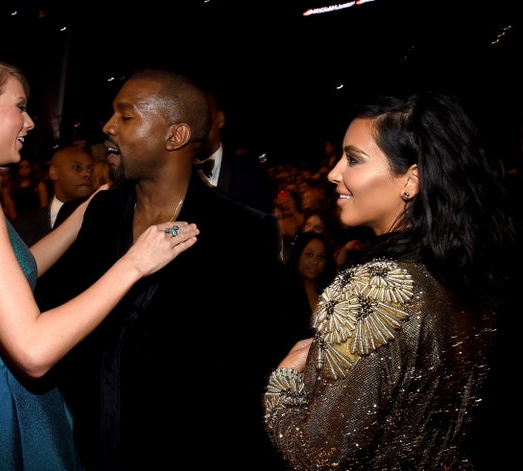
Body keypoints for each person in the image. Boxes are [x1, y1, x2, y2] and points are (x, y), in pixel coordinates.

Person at [0, 54, 199, 470]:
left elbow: (17, 269)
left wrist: (85, 211)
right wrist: (136, 262)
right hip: (6, 406)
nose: (29, 123)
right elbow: (33, 350)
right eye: (20, 107)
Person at [36, 68, 303, 470]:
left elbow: (262, 367)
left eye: (126, 116)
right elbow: (48, 309)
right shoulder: (98, 215)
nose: (108, 127)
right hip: (89, 445)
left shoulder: (244, 231)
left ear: (175, 136)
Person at [263, 91, 517, 469]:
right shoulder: (467, 276)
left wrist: (284, 381)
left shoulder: (374, 290)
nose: (334, 173)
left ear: (411, 180)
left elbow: (317, 455)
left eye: (353, 159)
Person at [12, 144, 95, 246]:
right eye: (77, 168)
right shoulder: (22, 228)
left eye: (90, 169)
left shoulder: (104, 220)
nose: (87, 173)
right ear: (54, 172)